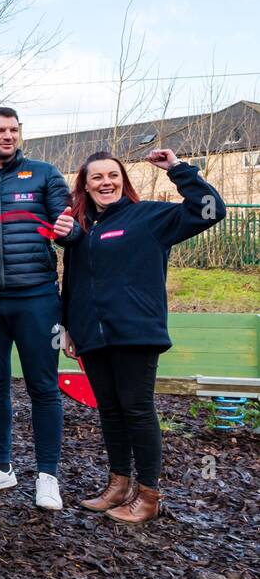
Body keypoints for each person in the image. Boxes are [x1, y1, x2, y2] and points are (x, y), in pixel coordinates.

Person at [62, 149, 225, 524]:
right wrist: (69, 325)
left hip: (135, 331)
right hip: (92, 333)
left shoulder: (151, 216)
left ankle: (148, 495)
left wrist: (179, 171)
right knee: (110, 409)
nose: (106, 182)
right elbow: (72, 278)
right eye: (97, 177)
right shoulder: (81, 227)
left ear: (123, 180)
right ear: (85, 186)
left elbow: (211, 209)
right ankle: (118, 484)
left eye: (113, 175)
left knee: (136, 408)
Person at [0, 107, 79, 511]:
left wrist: (71, 231)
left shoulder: (44, 174)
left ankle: (47, 476)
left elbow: (69, 224)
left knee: (43, 386)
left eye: (13, 130)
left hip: (37, 297)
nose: (7, 136)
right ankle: (0, 466)